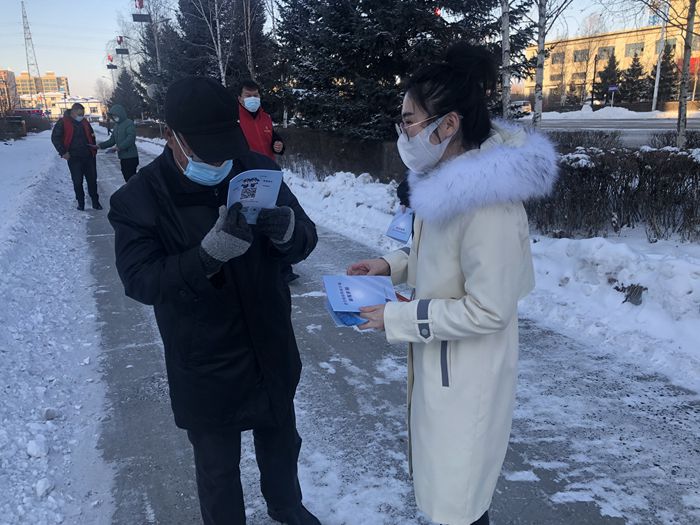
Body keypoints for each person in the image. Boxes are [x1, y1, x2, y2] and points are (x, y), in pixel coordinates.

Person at [347, 43, 558, 525]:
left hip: (467, 377)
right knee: (446, 496)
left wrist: (399, 317)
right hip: (444, 365)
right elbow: (440, 256)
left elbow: (489, 309)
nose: (403, 132)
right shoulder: (448, 181)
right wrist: (389, 265)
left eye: (409, 121)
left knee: (458, 505)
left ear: (448, 125)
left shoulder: (488, 204)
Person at [108, 76, 321, 525]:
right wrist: (204, 258)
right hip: (204, 360)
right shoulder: (140, 198)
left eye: (226, 146)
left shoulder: (254, 169)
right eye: (207, 150)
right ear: (171, 136)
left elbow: (305, 235)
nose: (221, 160)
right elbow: (140, 280)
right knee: (218, 468)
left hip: (269, 344)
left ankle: (286, 505)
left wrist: (289, 233)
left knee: (282, 442)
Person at [237, 80, 300, 283]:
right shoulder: (234, 120)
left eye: (255, 95)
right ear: (240, 98)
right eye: (248, 95)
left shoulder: (265, 118)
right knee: (252, 222)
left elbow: (273, 139)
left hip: (270, 175)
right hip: (246, 177)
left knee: (277, 218)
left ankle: (282, 267)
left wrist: (278, 144)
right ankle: (253, 266)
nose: (253, 99)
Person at [51, 103, 102, 210]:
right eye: (79, 114)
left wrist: (93, 148)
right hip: (74, 157)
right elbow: (55, 138)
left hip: (88, 156)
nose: (81, 116)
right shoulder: (63, 122)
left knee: (92, 180)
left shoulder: (85, 122)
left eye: (83, 114)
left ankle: (95, 202)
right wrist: (63, 152)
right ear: (73, 112)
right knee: (77, 181)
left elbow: (92, 135)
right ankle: (81, 203)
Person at [98, 104, 139, 182]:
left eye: (115, 115)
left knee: (131, 179)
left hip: (131, 157)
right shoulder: (116, 126)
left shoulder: (129, 123)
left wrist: (119, 147)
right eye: (112, 116)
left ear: (120, 114)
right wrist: (100, 146)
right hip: (123, 157)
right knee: (127, 178)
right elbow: (112, 140)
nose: (114, 117)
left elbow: (131, 138)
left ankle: (138, 189)